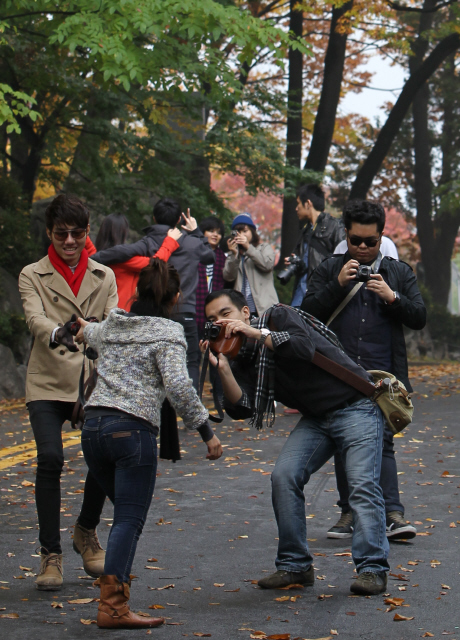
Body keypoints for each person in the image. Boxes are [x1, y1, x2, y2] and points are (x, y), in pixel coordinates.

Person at [201, 290, 390, 596]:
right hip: (317, 418)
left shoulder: (278, 316)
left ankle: (372, 569)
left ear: (245, 313)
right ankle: (295, 566)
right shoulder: (240, 357)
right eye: (212, 320)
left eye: (226, 314)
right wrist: (222, 368)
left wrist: (255, 333)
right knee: (284, 476)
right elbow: (242, 408)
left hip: (355, 405)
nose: (220, 323)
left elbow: (301, 347)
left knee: (360, 485)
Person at [75, 259, 222, 629]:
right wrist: (207, 431)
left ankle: (88, 539)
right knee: (128, 519)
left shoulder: (112, 324)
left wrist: (79, 329)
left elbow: (90, 335)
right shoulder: (168, 332)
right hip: (131, 433)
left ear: (137, 293)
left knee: (125, 513)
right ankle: (113, 607)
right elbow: (177, 386)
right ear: (174, 299)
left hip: (92, 430)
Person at [302, 199, 426, 541]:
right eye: (356, 240)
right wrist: (337, 285)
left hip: (384, 373)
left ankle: (393, 513)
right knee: (345, 440)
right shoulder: (330, 269)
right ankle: (349, 512)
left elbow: (418, 317)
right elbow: (306, 315)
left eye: (370, 242)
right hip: (338, 371)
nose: (362, 248)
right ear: (346, 234)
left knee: (383, 441)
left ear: (381, 236)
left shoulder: (398, 272)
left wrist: (392, 297)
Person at [18, 194, 118, 591]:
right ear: (50, 233)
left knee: (103, 456)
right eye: (62, 234)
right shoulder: (32, 274)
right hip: (46, 378)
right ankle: (50, 555)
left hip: (90, 380)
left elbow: (113, 321)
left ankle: (86, 531)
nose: (71, 241)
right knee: (49, 458)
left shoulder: (103, 275)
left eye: (78, 233)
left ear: (88, 233)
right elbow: (34, 317)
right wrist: (58, 331)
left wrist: (96, 330)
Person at [91, 199, 215, 390]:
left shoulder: (148, 242)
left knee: (154, 363)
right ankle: (192, 408)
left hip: (156, 312)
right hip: (185, 310)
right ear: (176, 221)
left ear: (154, 218)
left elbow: (119, 252)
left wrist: (93, 258)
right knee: (190, 361)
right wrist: (195, 232)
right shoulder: (192, 243)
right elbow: (210, 256)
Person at [87, 213, 181, 310]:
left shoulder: (98, 257)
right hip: (121, 312)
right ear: (124, 233)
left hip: (98, 309)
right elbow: (155, 264)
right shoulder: (125, 261)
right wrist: (170, 241)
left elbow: (89, 247)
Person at [286, 184, 345, 308]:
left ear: (308, 203)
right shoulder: (305, 231)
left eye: (298, 204)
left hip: (321, 297)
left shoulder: (335, 226)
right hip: (300, 297)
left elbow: (342, 261)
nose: (296, 208)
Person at [223, 213, 278, 316]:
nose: (242, 235)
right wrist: (234, 255)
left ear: (252, 232)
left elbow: (267, 265)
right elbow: (228, 277)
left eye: (245, 231)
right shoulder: (233, 253)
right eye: (238, 232)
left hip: (263, 306)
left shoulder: (263, 248)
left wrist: (248, 247)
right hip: (242, 308)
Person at [335, 234, 399, 259]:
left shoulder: (386, 243)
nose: (362, 246)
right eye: (355, 241)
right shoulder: (342, 246)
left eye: (370, 242)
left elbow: (394, 273)